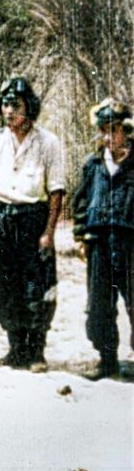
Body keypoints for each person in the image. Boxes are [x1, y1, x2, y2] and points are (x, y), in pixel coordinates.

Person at [0, 77, 65, 372]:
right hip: (2, 218)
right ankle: (15, 348)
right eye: (5, 104)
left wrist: (48, 233)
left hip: (33, 218)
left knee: (36, 288)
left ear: (30, 107)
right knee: (4, 288)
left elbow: (56, 191)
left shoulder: (48, 142)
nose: (9, 110)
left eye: (16, 105)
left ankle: (36, 350)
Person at [73, 98, 134, 381]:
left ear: (127, 130)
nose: (108, 137)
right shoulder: (93, 165)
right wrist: (81, 236)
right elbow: (81, 202)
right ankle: (107, 359)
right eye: (103, 130)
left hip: (130, 245)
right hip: (99, 243)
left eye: (114, 130)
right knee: (99, 305)